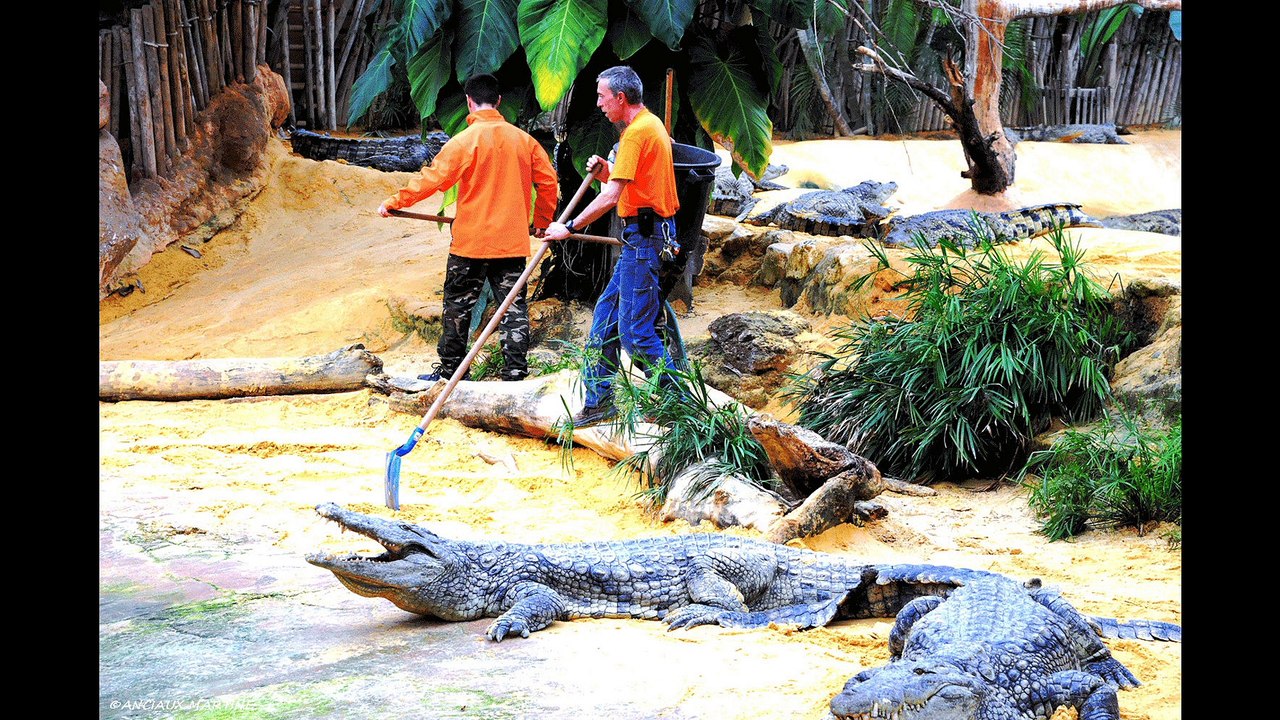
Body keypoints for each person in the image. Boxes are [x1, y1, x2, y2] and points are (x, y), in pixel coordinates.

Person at [379, 74, 558, 382]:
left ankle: (451, 372)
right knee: (512, 308)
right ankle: (515, 372)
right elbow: (549, 182)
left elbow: (432, 179)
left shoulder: (463, 142)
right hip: (511, 244)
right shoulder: (524, 141)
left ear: (468, 102)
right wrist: (541, 223)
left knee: (457, 308)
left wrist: (395, 202)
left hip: (470, 244)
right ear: (500, 101)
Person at [544, 66, 682, 425]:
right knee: (605, 322)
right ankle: (599, 402)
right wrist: (608, 170)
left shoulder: (638, 133)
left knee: (636, 333)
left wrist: (569, 226)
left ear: (621, 98)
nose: (599, 104)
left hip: (646, 240)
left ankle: (678, 403)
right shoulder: (648, 126)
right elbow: (629, 183)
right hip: (642, 237)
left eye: (602, 97)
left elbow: (611, 197)